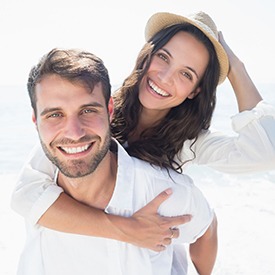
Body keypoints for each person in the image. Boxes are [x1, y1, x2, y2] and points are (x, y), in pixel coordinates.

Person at [12, 9, 275, 259]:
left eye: (186, 73)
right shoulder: (95, 112)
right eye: (163, 57)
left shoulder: (192, 142)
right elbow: (26, 195)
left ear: (195, 90)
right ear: (146, 54)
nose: (164, 77)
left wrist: (236, 68)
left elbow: (266, 153)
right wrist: (126, 228)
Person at [16, 48, 217, 275]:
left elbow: (207, 228)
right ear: (35, 120)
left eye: (88, 110)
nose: (73, 133)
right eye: (54, 115)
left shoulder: (163, 191)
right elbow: (23, 197)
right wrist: (127, 229)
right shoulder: (38, 189)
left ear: (110, 110)